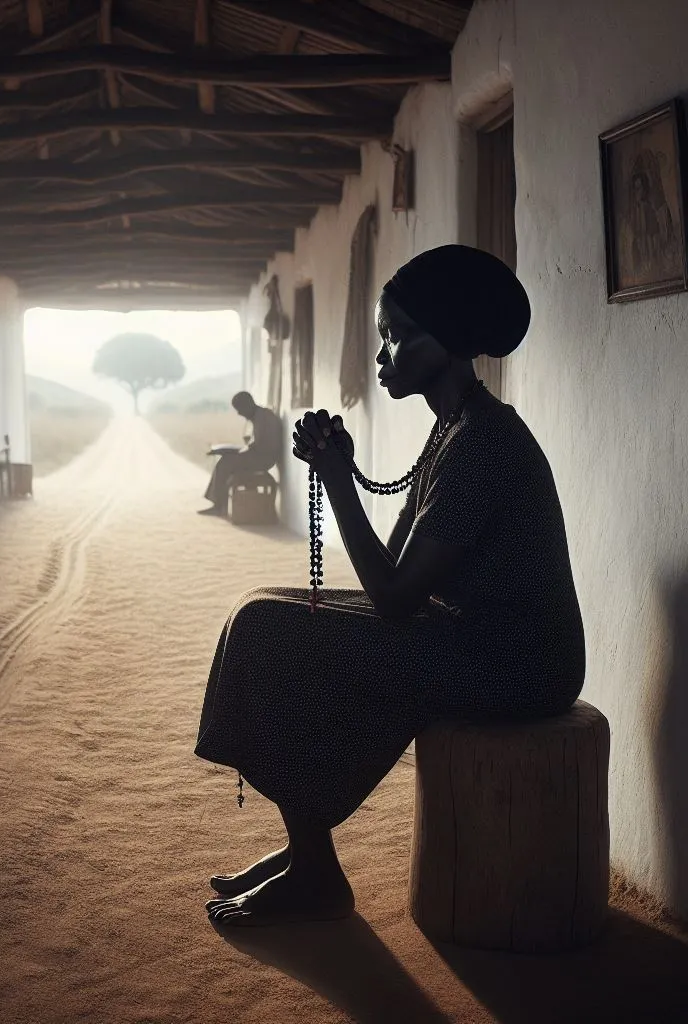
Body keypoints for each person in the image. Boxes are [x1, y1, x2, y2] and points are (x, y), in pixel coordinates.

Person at [195, 245, 585, 927]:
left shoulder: (485, 443)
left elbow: (395, 599)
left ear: (448, 341)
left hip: (519, 664)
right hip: (469, 633)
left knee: (269, 633)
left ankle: (314, 869)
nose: (381, 354)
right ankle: (304, 850)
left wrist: (339, 483)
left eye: (395, 336)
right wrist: (338, 465)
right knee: (263, 605)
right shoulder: (453, 430)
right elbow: (400, 566)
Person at [198, 392, 281, 517]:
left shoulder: (262, 417)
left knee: (225, 463)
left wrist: (234, 451)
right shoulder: (259, 415)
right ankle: (219, 505)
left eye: (239, 410)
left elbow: (260, 445)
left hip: (263, 459)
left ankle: (219, 506)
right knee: (226, 460)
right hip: (259, 456)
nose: (239, 413)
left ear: (247, 406)